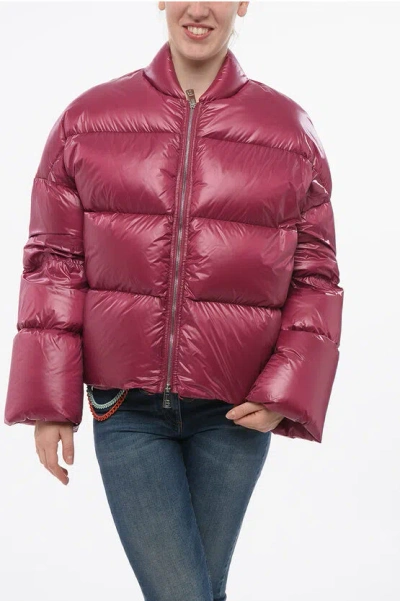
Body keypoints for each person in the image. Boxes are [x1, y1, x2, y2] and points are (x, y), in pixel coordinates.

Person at [4, 2, 344, 600]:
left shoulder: (289, 133)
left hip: (235, 412)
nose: (198, 7)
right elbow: (53, 263)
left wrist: (283, 393)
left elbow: (316, 276)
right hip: (126, 409)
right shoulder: (88, 121)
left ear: (243, 3)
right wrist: (51, 401)